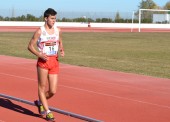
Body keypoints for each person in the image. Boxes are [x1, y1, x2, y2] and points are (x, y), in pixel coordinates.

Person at [28, 8, 64, 121]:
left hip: (54, 61)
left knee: (53, 90)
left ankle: (39, 102)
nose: (54, 20)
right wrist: (39, 54)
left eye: (55, 18)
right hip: (43, 62)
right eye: (52, 18)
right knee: (42, 88)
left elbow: (60, 41)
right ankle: (48, 112)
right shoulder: (40, 31)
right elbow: (30, 46)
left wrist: (61, 49)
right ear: (46, 18)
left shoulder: (58, 30)